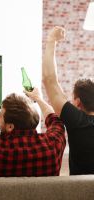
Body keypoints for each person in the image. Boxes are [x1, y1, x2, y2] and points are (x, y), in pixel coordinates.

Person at [0, 81, 65, 177]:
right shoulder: (54, 143)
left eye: (0, 114)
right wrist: (38, 99)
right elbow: (53, 118)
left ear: (10, 127)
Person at [42, 26, 94, 175]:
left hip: (81, 193)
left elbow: (49, 80)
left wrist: (52, 40)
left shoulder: (77, 121)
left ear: (77, 102)